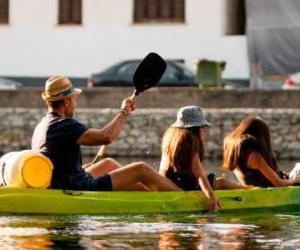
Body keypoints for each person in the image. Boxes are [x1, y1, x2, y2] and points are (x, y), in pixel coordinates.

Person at [31, 75, 180, 192]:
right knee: (141, 169)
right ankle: (180, 194)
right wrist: (124, 111)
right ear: (66, 102)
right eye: (74, 100)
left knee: (109, 164)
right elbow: (106, 136)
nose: (75, 104)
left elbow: (58, 164)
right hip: (77, 187)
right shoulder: (63, 125)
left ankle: (149, 195)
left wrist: (80, 169)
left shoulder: (42, 125)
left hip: (65, 179)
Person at [159, 106, 248, 212]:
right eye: (202, 126)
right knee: (222, 182)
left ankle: (246, 188)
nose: (205, 130)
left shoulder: (170, 137)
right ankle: (250, 190)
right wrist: (211, 196)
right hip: (183, 187)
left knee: (220, 181)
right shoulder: (190, 140)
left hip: (168, 182)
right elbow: (200, 175)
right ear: (195, 128)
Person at [222, 116, 300, 188]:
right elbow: (279, 184)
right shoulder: (254, 156)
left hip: (250, 187)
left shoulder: (233, 149)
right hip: (265, 191)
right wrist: (294, 180)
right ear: (261, 137)